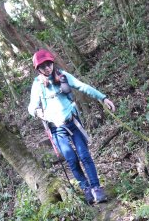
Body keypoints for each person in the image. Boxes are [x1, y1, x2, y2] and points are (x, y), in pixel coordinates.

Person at [28, 49, 115, 204]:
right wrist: (37, 111)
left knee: (84, 155)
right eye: (43, 66)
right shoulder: (38, 85)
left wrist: (103, 98)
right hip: (56, 128)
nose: (47, 67)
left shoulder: (63, 76)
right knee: (71, 159)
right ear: (38, 69)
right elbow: (31, 106)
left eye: (49, 64)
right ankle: (85, 188)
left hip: (72, 122)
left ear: (52, 62)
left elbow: (82, 86)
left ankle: (96, 188)